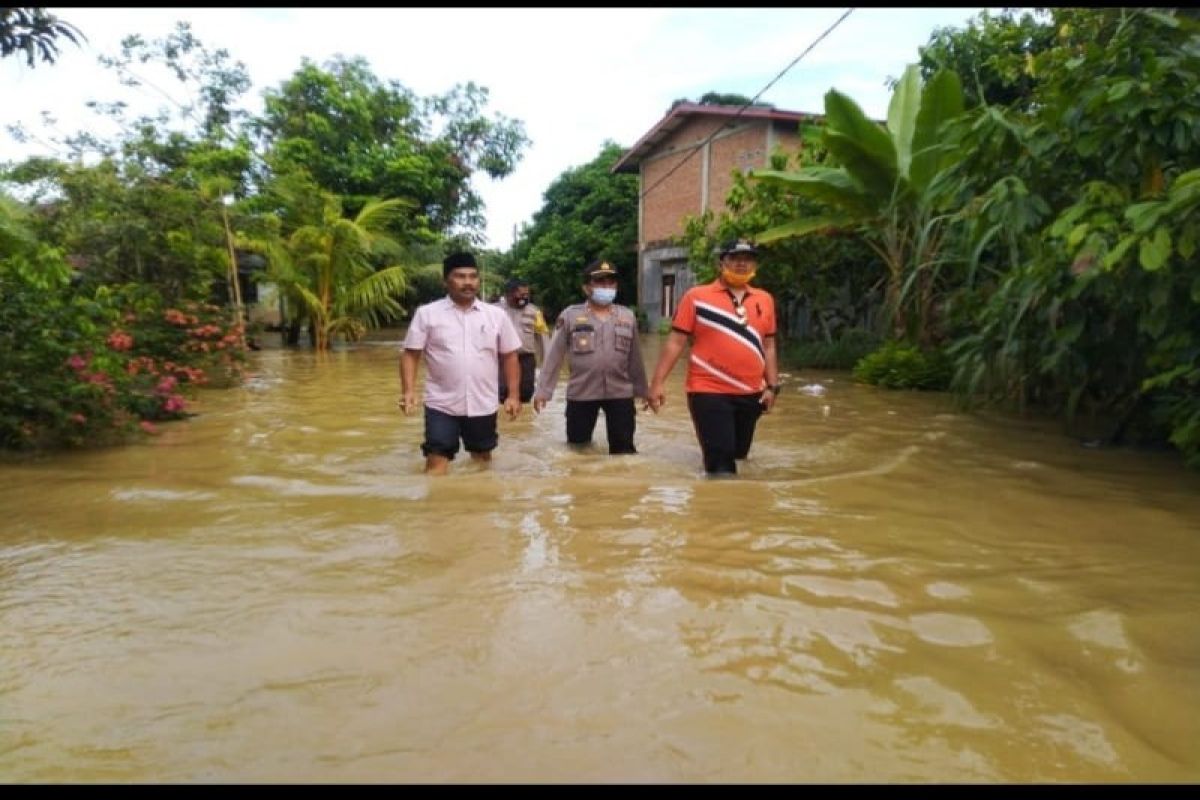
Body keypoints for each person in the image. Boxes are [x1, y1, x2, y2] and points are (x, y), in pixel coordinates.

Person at [647, 238, 781, 475]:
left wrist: (772, 386)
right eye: (735, 258)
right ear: (722, 263)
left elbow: (769, 345)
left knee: (739, 457)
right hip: (708, 390)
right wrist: (657, 383)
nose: (742, 264)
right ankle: (715, 509)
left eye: (748, 259)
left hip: (751, 392)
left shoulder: (764, 299)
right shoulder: (697, 297)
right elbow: (676, 342)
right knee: (721, 469)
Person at [399, 251, 523, 475]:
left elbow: (510, 355)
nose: (468, 282)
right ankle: (437, 508)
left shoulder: (496, 315)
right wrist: (408, 392)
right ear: (446, 280)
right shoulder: (427, 314)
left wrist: (513, 395)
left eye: (473, 276)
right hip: (441, 404)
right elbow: (410, 354)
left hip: (483, 402)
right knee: (436, 462)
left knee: (482, 461)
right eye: (460, 276)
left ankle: (479, 507)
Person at [532, 259, 649, 455]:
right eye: (600, 282)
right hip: (581, 393)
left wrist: (644, 391)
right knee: (578, 451)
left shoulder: (627, 316)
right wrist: (543, 390)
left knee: (624, 451)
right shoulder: (570, 316)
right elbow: (554, 355)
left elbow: (635, 358)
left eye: (611, 282)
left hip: (620, 393)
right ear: (587, 287)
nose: (606, 286)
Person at [494, 276, 551, 403]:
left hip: (526, 358)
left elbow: (543, 339)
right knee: (501, 393)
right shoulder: (494, 311)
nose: (524, 297)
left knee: (526, 392)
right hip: (502, 358)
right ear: (508, 294)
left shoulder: (534, 312)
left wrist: (546, 365)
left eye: (527, 294)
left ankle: (523, 421)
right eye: (520, 294)